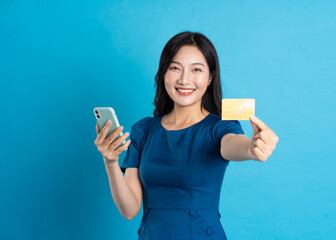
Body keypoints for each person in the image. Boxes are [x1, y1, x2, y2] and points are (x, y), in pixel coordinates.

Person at [94, 31, 279, 240]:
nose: (184, 79)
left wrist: (251, 149)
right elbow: (129, 210)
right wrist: (110, 161)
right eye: (175, 68)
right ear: (163, 72)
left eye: (196, 70)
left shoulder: (220, 127)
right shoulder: (144, 130)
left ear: (210, 77)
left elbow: (233, 145)